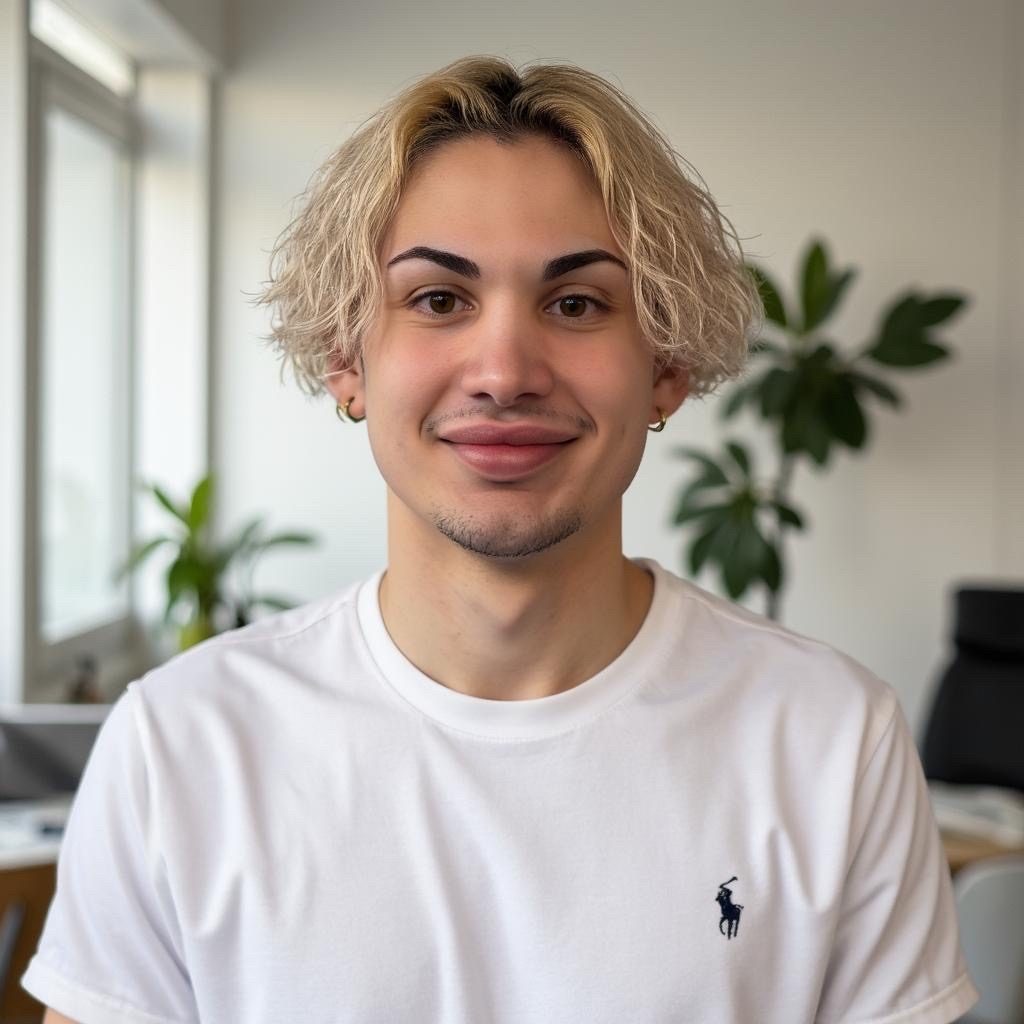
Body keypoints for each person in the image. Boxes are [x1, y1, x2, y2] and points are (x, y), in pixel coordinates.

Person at [25, 55, 978, 1024]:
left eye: (576, 304)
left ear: (666, 366)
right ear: (346, 359)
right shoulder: (181, 747)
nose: (505, 370)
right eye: (439, 299)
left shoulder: (831, 743)